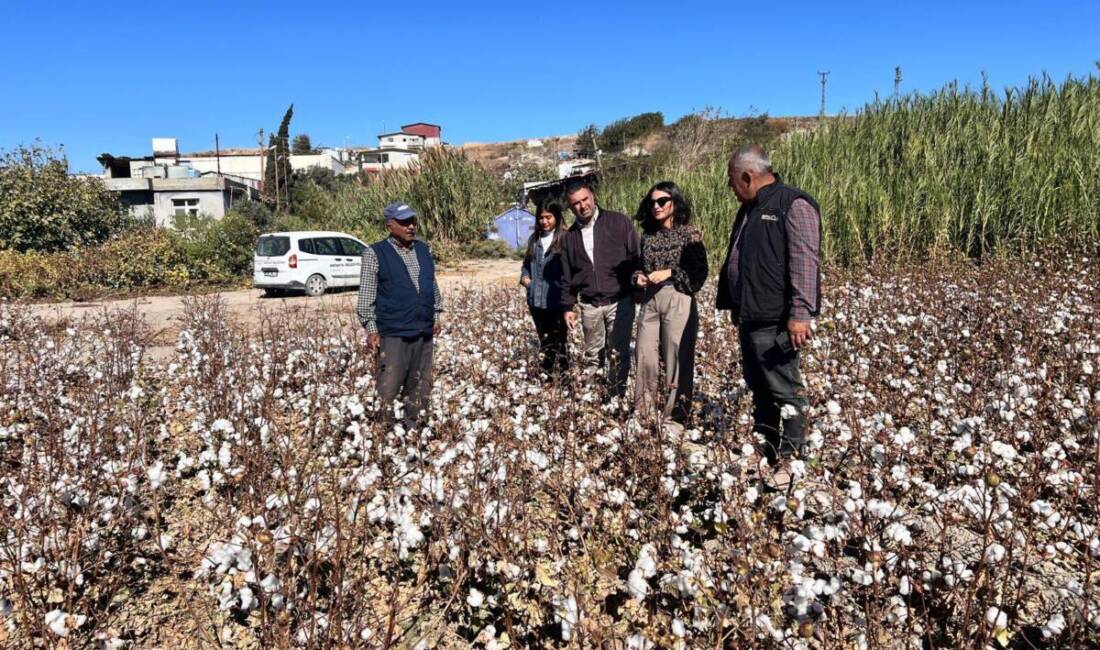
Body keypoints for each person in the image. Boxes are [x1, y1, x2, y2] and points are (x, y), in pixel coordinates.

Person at [718, 144, 822, 465]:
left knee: (784, 389)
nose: (730, 189)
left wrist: (800, 314)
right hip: (751, 315)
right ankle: (766, 448)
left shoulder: (792, 203)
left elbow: (805, 261)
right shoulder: (750, 208)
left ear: (747, 177)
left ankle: (791, 459)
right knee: (759, 387)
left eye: (732, 181)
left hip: (775, 318)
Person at [356, 201, 443, 430]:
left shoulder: (423, 250)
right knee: (389, 386)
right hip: (393, 332)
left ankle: (415, 433)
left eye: (413, 221)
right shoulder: (374, 254)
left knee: (420, 385)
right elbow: (366, 297)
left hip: (423, 330)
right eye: (404, 222)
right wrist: (371, 328)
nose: (411, 227)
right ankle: (385, 435)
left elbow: (431, 284)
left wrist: (436, 313)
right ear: (390, 225)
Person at [632, 181, 708, 427]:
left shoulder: (690, 234)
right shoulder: (648, 237)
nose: (656, 206)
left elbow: (698, 274)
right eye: (652, 202)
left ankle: (675, 419)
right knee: (644, 355)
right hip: (650, 299)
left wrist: (669, 273)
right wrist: (638, 278)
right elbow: (638, 268)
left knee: (676, 356)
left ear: (674, 203)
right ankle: (642, 413)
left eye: (662, 201)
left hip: (678, 297)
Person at [559, 178, 640, 399]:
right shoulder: (569, 238)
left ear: (593, 196)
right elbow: (567, 275)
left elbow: (636, 257)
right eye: (576, 203)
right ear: (570, 206)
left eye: (585, 199)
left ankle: (616, 397)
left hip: (619, 301)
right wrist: (568, 306)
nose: (582, 205)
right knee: (593, 354)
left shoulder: (619, 222)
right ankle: (594, 397)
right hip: (589, 305)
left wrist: (637, 287)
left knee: (618, 353)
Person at [520, 197, 570, 377]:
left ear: (556, 216)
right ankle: (547, 376)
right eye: (541, 217)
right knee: (545, 340)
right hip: (536, 300)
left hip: (556, 301)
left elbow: (570, 271)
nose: (545, 221)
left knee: (560, 341)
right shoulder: (534, 239)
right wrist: (526, 279)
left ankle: (564, 379)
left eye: (548, 217)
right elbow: (526, 264)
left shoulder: (565, 238)